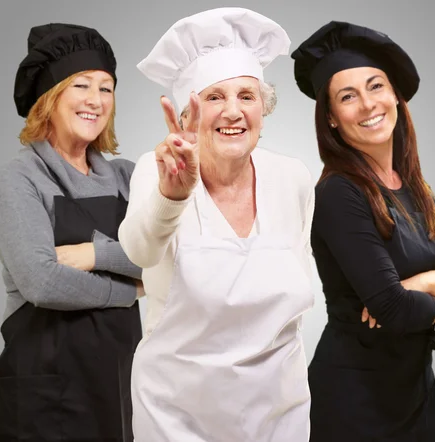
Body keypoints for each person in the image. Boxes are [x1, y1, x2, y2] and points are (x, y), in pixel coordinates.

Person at [118, 7, 315, 442]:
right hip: (177, 415)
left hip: (279, 414)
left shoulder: (293, 178)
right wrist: (174, 193)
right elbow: (139, 251)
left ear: (264, 109)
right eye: (213, 98)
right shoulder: (159, 170)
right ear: (187, 118)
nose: (233, 112)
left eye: (247, 96)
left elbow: (300, 281)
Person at [291, 20, 435, 441]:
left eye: (375, 86)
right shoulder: (338, 194)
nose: (367, 104)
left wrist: (420, 283)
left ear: (395, 94)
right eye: (348, 96)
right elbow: (396, 313)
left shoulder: (414, 185)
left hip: (412, 392)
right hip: (354, 401)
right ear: (331, 118)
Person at [0, 23, 143, 442]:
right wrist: (128, 289)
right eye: (82, 85)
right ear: (48, 98)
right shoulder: (18, 179)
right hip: (40, 395)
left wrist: (93, 255)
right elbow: (42, 281)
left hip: (118, 385)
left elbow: (167, 256)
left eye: (106, 88)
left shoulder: (128, 177)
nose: (96, 100)